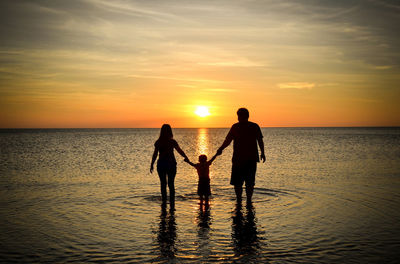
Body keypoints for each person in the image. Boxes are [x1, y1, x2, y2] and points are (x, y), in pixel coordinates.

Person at [216, 108, 265, 204]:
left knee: (246, 182)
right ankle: (244, 201)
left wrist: (263, 152)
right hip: (244, 159)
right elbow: (228, 140)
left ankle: (245, 200)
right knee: (243, 182)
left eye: (239, 116)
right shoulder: (243, 126)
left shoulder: (250, 126)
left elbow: (260, 140)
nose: (238, 118)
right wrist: (221, 148)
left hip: (245, 159)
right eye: (238, 116)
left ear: (245, 116)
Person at [150, 124, 189, 205]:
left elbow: (155, 154)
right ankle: (172, 203)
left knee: (163, 184)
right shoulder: (172, 142)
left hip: (161, 164)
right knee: (171, 184)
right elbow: (180, 151)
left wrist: (152, 164)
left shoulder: (158, 142)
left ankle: (164, 203)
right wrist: (186, 157)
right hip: (171, 164)